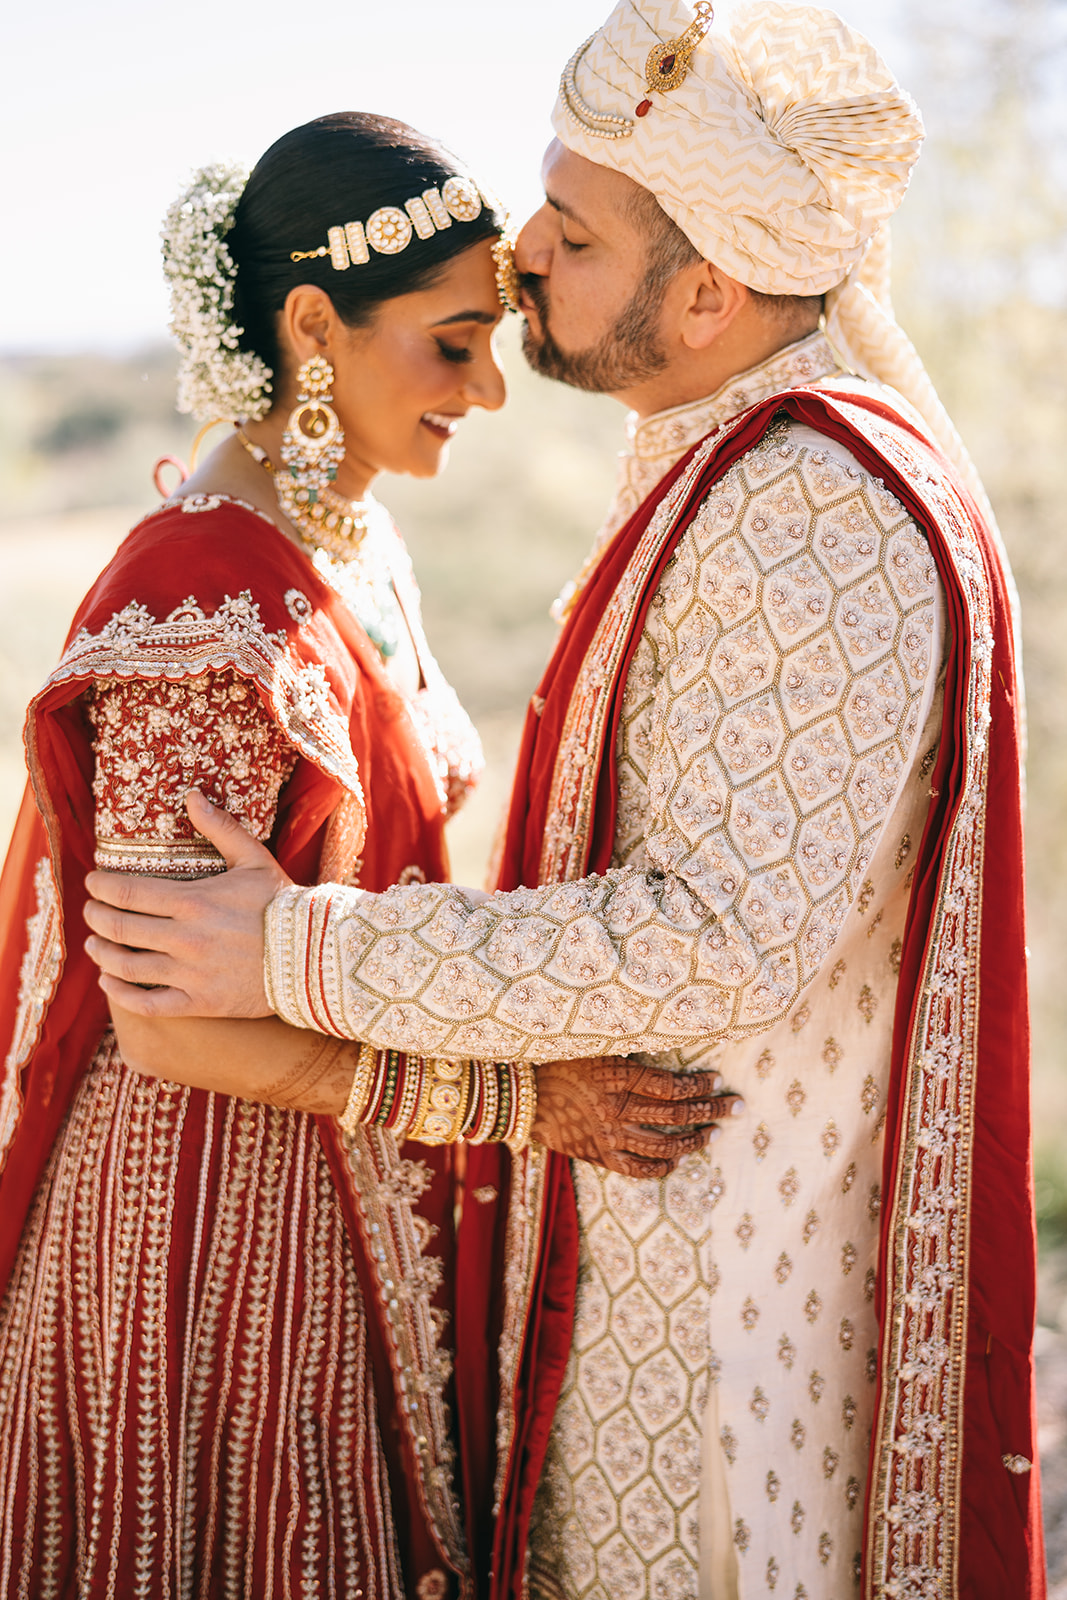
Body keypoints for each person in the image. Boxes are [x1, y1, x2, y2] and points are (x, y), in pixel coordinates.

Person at [82, 4, 1044, 1596]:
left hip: (730, 1291)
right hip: (449, 1242)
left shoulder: (812, 502)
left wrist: (300, 952)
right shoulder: (724, 458)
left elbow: (717, 942)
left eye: (574, 233)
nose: (521, 253)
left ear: (710, 291)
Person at [0, 110, 732, 1599]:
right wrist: (522, 1103)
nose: (489, 389)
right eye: (453, 343)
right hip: (209, 1237)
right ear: (314, 322)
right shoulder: (201, 610)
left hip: (346, 1182)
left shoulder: (352, 536)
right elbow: (162, 1028)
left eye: (500, 340)